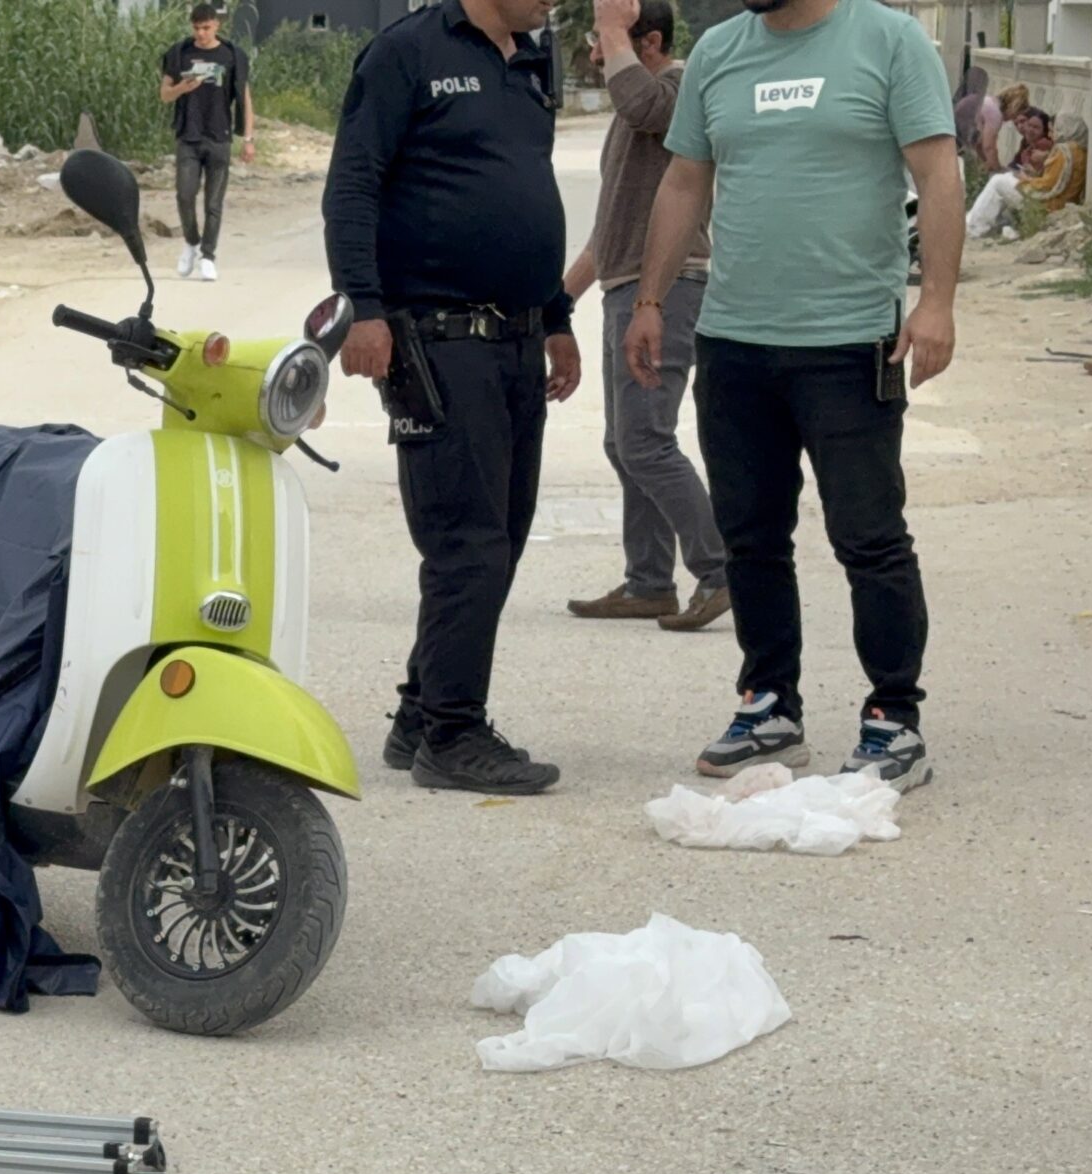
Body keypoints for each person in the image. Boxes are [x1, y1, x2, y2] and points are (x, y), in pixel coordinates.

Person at [628, 0, 960, 791]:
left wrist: (938, 301)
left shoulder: (889, 40)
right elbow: (683, 180)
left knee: (869, 537)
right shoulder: (719, 51)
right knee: (751, 538)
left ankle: (892, 720)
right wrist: (649, 301)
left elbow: (939, 170)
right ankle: (770, 706)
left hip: (850, 341)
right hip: (736, 339)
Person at [323, 0, 579, 796]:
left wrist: (558, 318)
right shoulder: (407, 52)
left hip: (515, 337)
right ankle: (453, 735)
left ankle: (422, 710)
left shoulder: (532, 60)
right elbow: (354, 184)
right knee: (465, 540)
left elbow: (525, 190)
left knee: (501, 532)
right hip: (437, 339)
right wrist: (362, 308)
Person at [561, 0, 729, 632]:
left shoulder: (680, 85)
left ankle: (719, 571)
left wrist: (611, 22)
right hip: (625, 288)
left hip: (667, 288)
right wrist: (562, 297)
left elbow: (645, 104)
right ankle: (649, 582)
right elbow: (610, 233)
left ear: (649, 41)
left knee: (645, 441)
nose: (594, 52)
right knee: (623, 442)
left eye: (604, 40)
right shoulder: (629, 121)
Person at [160, 3, 254, 283]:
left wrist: (248, 139)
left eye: (206, 28)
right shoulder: (179, 53)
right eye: (196, 28)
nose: (201, 33)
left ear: (217, 25)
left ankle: (208, 257)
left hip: (219, 137)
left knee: (214, 203)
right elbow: (164, 94)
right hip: (188, 136)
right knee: (185, 195)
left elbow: (246, 99)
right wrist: (181, 88)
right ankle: (191, 242)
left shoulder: (232, 55)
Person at [965, 112, 1084, 240]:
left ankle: (976, 227)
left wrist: (1026, 180)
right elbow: (1055, 181)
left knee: (998, 181)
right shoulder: (1079, 150)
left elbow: (1046, 186)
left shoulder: (1063, 152)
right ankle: (973, 221)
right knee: (1003, 180)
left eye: (1053, 130)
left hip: (1047, 204)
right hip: (1056, 200)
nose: (1050, 135)